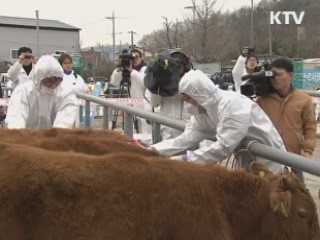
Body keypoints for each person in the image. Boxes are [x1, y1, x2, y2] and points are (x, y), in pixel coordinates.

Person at [151, 68, 286, 174]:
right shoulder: (203, 113)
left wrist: (185, 159)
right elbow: (184, 140)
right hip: (247, 157)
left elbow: (223, 147)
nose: (186, 104)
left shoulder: (231, 105)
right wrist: (151, 150)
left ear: (199, 94)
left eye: (188, 99)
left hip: (270, 161)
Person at [256, 58, 317, 181]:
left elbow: (310, 128)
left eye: (279, 74)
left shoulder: (303, 99)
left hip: (294, 159)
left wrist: (307, 151)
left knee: (297, 196)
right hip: (269, 159)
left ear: (290, 75)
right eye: (272, 75)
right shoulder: (262, 100)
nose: (275, 78)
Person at [5, 55, 78, 130]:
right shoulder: (25, 91)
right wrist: (20, 136)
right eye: (49, 81)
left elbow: (65, 119)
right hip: (26, 136)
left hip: (53, 138)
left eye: (57, 80)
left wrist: (56, 135)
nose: (53, 84)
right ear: (39, 79)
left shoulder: (65, 94)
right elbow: (16, 116)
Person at [149, 49, 192, 140]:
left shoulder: (192, 80)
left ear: (185, 67)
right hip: (168, 131)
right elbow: (154, 103)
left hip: (188, 131)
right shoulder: (163, 81)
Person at [110, 47, 152, 136]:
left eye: (137, 57)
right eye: (132, 58)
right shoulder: (125, 70)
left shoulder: (146, 69)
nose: (134, 60)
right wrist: (119, 68)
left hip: (145, 106)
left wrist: (132, 71)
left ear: (141, 58)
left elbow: (144, 83)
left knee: (145, 134)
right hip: (132, 105)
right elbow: (114, 82)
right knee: (132, 133)